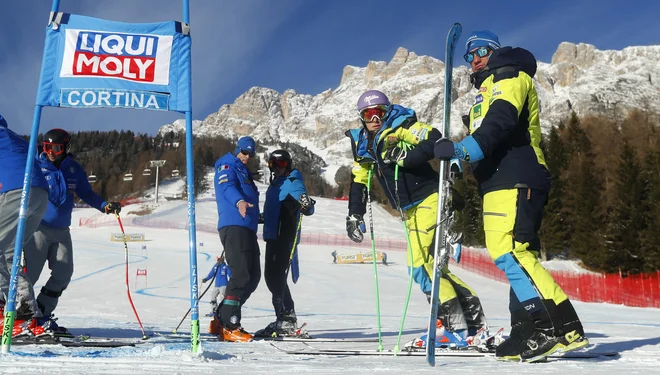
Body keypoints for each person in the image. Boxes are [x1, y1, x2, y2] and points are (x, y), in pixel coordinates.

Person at [433, 30, 587, 361]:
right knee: (518, 254)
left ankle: (558, 327)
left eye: (482, 51)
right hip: (499, 180)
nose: (475, 58)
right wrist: (458, 164)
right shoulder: (486, 90)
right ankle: (527, 330)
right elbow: (485, 135)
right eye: (470, 54)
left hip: (515, 175)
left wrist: (463, 148)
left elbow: (500, 123)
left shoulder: (508, 75)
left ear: (497, 52)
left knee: (510, 253)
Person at [345, 90, 488, 348]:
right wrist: (355, 213)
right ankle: (473, 325)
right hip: (408, 210)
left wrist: (405, 156)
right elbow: (359, 180)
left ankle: (451, 325)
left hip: (429, 198)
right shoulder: (364, 145)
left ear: (388, 112)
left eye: (380, 112)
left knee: (423, 265)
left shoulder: (402, 126)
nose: (375, 118)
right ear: (361, 118)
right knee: (427, 268)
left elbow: (433, 139)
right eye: (369, 113)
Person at [23, 128, 121, 336]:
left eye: (56, 148)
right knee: (28, 276)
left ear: (66, 148)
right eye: (47, 147)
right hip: (38, 228)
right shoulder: (35, 166)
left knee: (63, 273)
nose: (50, 152)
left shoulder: (74, 169)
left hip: (61, 230)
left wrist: (104, 206)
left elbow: (86, 192)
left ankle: (40, 315)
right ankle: (16, 317)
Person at [256, 150, 315, 337]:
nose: (277, 168)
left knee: (276, 278)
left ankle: (287, 318)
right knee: (271, 277)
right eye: (273, 165)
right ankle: (283, 316)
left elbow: (305, 204)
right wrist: (262, 217)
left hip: (284, 236)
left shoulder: (292, 182)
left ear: (288, 165)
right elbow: (276, 210)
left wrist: (306, 204)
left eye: (281, 164)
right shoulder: (275, 186)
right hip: (273, 235)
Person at [0, 114, 49, 337]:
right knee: (8, 254)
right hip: (38, 194)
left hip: (17, 192)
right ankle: (24, 311)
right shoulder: (10, 137)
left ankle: (8, 309)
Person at [209, 136, 261, 342]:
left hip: (247, 227)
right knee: (240, 275)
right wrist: (239, 201)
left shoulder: (243, 169)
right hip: (234, 225)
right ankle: (230, 324)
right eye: (244, 152)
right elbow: (226, 186)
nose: (247, 157)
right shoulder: (227, 164)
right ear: (237, 149)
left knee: (253, 276)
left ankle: (220, 320)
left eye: (251, 154)